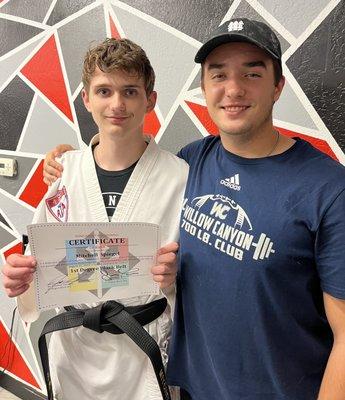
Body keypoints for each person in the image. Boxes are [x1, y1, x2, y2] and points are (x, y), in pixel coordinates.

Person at [41, 18, 345, 400]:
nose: (233, 89)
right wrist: (68, 159)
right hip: (193, 388)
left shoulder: (328, 188)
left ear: (278, 86)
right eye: (218, 75)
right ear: (204, 88)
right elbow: (124, 168)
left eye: (252, 73)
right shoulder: (192, 162)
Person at [2, 38, 188, 400]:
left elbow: (194, 275)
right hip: (73, 348)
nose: (117, 104)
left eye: (130, 91)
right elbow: (39, 258)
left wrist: (174, 277)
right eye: (104, 91)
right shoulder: (65, 172)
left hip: (142, 350)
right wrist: (20, 278)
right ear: (86, 99)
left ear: (150, 100)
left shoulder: (180, 176)